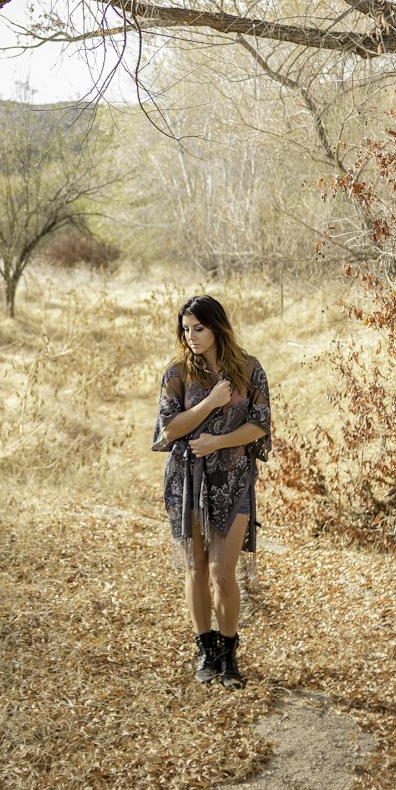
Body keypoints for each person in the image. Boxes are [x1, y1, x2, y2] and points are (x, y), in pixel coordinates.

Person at [152, 294, 272, 688]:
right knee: (196, 569)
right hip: (187, 481)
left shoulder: (250, 370)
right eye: (185, 330)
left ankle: (228, 653)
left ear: (217, 327)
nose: (191, 337)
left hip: (234, 480)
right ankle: (205, 649)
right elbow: (169, 430)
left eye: (198, 329)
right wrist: (210, 403)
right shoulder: (177, 374)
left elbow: (259, 425)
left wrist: (217, 443)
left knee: (222, 572)